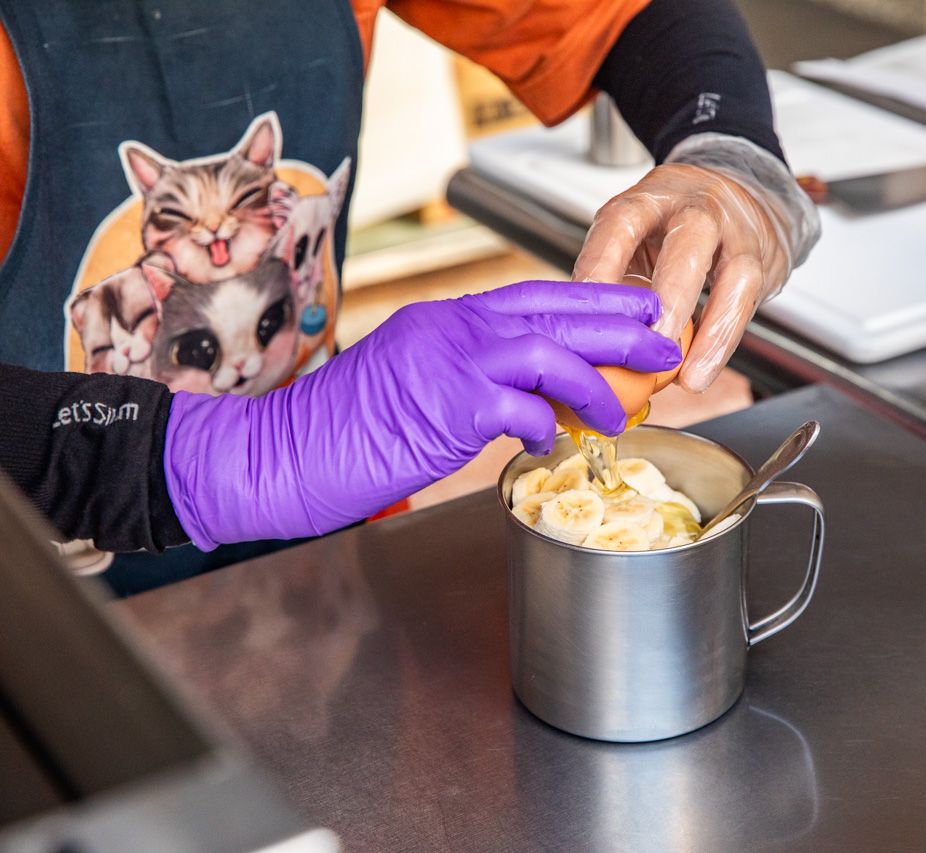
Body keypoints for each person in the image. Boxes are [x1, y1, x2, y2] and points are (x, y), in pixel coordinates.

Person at [0, 0, 818, 588]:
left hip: (322, 550)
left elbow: (631, 14)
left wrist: (729, 154)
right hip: (42, 599)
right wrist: (229, 455)